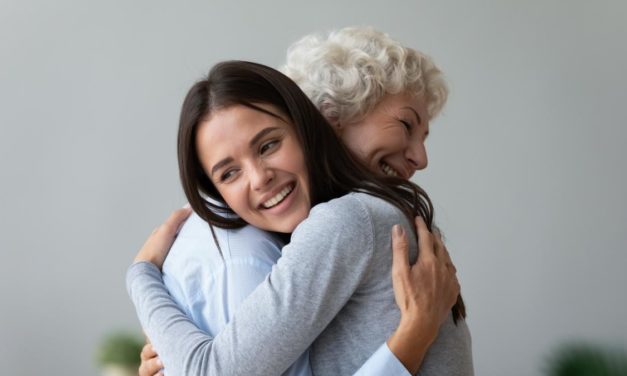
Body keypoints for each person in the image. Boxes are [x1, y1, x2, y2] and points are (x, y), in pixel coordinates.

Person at [128, 60, 472, 375]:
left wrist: (141, 275)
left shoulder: (346, 222)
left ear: (305, 127)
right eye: (229, 173)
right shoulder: (366, 216)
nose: (260, 178)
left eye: (268, 145)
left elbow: (211, 372)